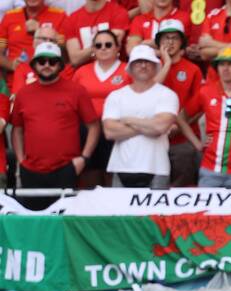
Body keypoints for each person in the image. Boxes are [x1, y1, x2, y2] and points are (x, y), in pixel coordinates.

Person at [11, 42, 98, 206]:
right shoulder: (23, 93)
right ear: (34, 65)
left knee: (65, 219)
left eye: (52, 61)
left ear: (60, 65)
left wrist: (84, 158)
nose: (46, 65)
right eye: (41, 61)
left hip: (67, 168)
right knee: (34, 218)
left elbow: (93, 126)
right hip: (31, 170)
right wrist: (21, 161)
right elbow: (17, 129)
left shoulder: (76, 90)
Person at [102, 44, 179, 188]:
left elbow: (159, 127)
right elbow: (110, 132)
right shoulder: (116, 96)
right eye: (138, 62)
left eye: (148, 62)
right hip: (121, 167)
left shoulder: (167, 95)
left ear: (155, 66)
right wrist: (149, 125)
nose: (143, 66)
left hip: (157, 168)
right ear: (130, 67)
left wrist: (129, 120)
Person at [183, 47, 231, 188]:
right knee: (205, 204)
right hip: (209, 168)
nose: (225, 68)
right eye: (221, 64)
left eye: (230, 64)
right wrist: (197, 143)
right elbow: (181, 117)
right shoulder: (206, 91)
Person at [72, 30, 130, 188]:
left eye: (108, 44)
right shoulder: (81, 72)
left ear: (118, 47)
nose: (103, 48)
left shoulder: (128, 70)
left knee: (112, 175)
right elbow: (72, 100)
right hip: (87, 131)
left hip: (116, 131)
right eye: (98, 45)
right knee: (89, 175)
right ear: (93, 49)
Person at [155, 19, 203, 187]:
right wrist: (166, 63)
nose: (170, 42)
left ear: (182, 41)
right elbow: (147, 93)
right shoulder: (151, 66)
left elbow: (199, 106)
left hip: (183, 140)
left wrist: (178, 126)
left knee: (182, 188)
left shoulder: (193, 69)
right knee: (155, 189)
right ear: (159, 41)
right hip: (154, 138)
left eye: (174, 38)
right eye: (166, 38)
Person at [0, 0, 66, 89]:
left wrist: (41, 30)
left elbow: (64, 50)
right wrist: (11, 64)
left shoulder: (59, 15)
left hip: (50, 80)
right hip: (16, 83)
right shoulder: (10, 16)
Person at [63, 0, 129, 69]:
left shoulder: (118, 12)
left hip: (115, 70)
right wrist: (99, 47)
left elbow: (111, 47)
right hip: (83, 72)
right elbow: (75, 59)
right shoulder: (72, 19)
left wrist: (89, 52)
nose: (102, 47)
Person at [9, 24, 58, 95]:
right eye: (44, 39)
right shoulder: (22, 68)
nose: (48, 43)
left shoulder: (61, 68)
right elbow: (18, 97)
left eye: (52, 40)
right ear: (34, 42)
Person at [126, 0, 191, 54]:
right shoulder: (139, 20)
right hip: (145, 64)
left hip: (176, 65)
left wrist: (146, 44)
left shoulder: (185, 18)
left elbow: (184, 50)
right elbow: (131, 50)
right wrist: (163, 51)